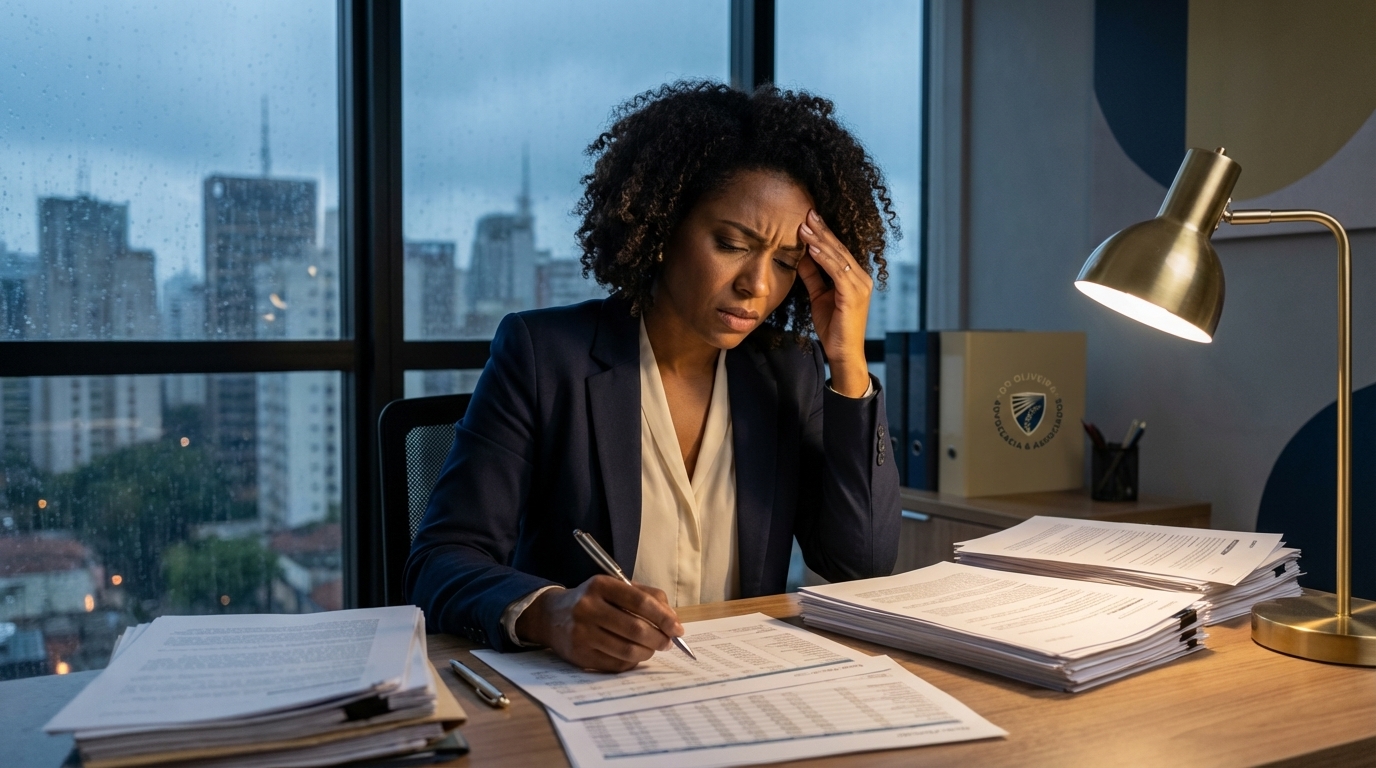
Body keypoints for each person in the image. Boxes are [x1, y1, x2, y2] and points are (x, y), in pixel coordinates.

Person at [406, 81, 902, 672]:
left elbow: (861, 563)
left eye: (786, 262)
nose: (758, 285)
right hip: (582, 691)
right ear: (663, 226)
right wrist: (550, 612)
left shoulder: (789, 372)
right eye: (731, 244)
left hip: (736, 686)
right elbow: (440, 560)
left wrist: (848, 366)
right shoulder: (545, 355)